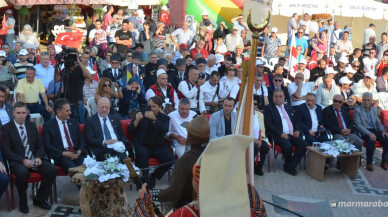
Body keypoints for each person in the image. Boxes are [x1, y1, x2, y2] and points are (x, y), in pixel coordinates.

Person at [1, 102, 57, 213]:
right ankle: (23, 202)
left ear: (27, 113)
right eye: (18, 113)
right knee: (22, 173)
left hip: (34, 159)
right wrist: (22, 160)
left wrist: (38, 157)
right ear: (13, 113)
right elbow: (6, 151)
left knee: (52, 170)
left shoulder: (31, 125)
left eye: (23, 113)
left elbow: (40, 145)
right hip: (17, 161)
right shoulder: (6, 128)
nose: (21, 115)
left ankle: (40, 199)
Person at [158, 114, 209, 209]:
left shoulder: (185, 161)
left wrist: (154, 196)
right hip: (209, 205)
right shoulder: (212, 154)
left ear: (190, 135)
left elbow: (173, 192)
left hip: (187, 207)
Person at [128, 96, 175, 189]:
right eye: (149, 106)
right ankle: (144, 181)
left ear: (160, 107)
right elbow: (130, 131)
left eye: (153, 106)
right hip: (142, 144)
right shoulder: (140, 113)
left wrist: (154, 119)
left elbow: (164, 130)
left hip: (157, 145)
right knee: (142, 154)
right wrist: (136, 121)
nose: (150, 108)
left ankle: (153, 176)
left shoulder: (164, 118)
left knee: (171, 159)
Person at [264, 89, 307, 176]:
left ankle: (290, 165)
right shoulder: (268, 108)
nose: (278, 98)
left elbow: (296, 122)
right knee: (287, 146)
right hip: (278, 135)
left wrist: (298, 131)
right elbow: (268, 124)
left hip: (292, 134)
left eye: (280, 96)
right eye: (276, 96)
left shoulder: (289, 107)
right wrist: (281, 134)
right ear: (273, 97)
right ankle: (289, 166)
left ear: (284, 97)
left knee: (304, 144)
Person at [42, 98, 86, 174]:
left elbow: (81, 140)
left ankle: (89, 186)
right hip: (62, 156)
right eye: (67, 111)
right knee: (74, 171)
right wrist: (63, 153)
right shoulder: (48, 125)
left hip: (76, 154)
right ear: (59, 113)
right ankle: (84, 186)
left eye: (70, 110)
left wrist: (79, 151)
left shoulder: (74, 122)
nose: (70, 112)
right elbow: (47, 145)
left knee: (89, 168)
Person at [84, 97, 127, 161]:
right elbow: (90, 139)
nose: (104, 110)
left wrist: (121, 144)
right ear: (97, 107)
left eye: (106, 107)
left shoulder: (115, 118)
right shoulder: (90, 121)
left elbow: (122, 135)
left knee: (123, 157)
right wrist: (104, 142)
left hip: (117, 147)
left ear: (109, 108)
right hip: (102, 148)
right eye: (102, 107)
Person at [353, 92, 388, 171]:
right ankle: (369, 162)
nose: (366, 102)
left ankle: (385, 162)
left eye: (368, 100)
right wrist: (369, 133)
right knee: (371, 139)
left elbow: (378, 122)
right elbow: (358, 125)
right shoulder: (357, 110)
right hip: (364, 131)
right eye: (364, 100)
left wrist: (382, 130)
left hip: (374, 130)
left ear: (371, 101)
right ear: (362, 100)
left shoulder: (373, 110)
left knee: (386, 138)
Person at [61, 52, 93, 124]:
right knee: (68, 124)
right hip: (67, 102)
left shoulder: (80, 69)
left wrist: (79, 62)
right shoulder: (65, 70)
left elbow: (90, 76)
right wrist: (56, 67)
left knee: (79, 125)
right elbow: (57, 79)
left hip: (78, 102)